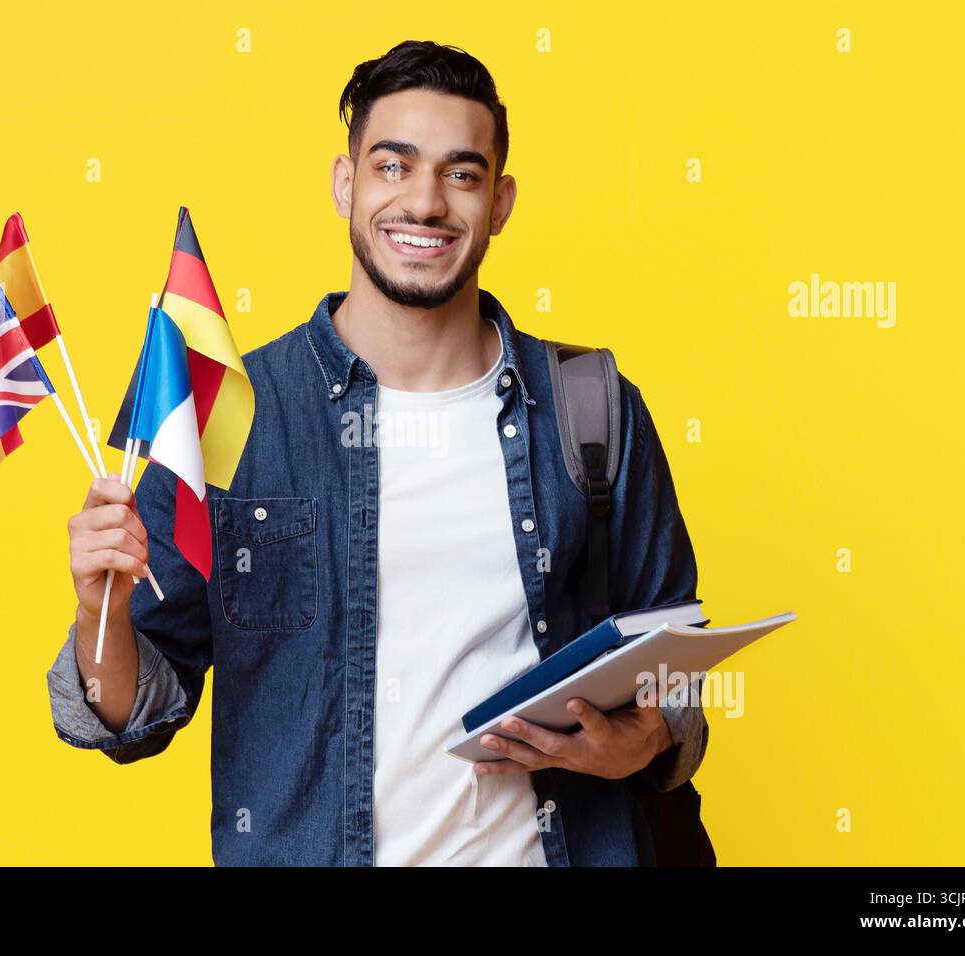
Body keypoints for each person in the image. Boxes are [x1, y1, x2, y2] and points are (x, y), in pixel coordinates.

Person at [47, 39, 707, 866]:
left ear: (499, 202)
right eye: (393, 166)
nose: (425, 202)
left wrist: (638, 748)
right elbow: (133, 713)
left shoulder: (591, 405)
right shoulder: (228, 416)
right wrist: (93, 608)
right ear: (345, 183)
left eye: (460, 174)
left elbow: (674, 669)